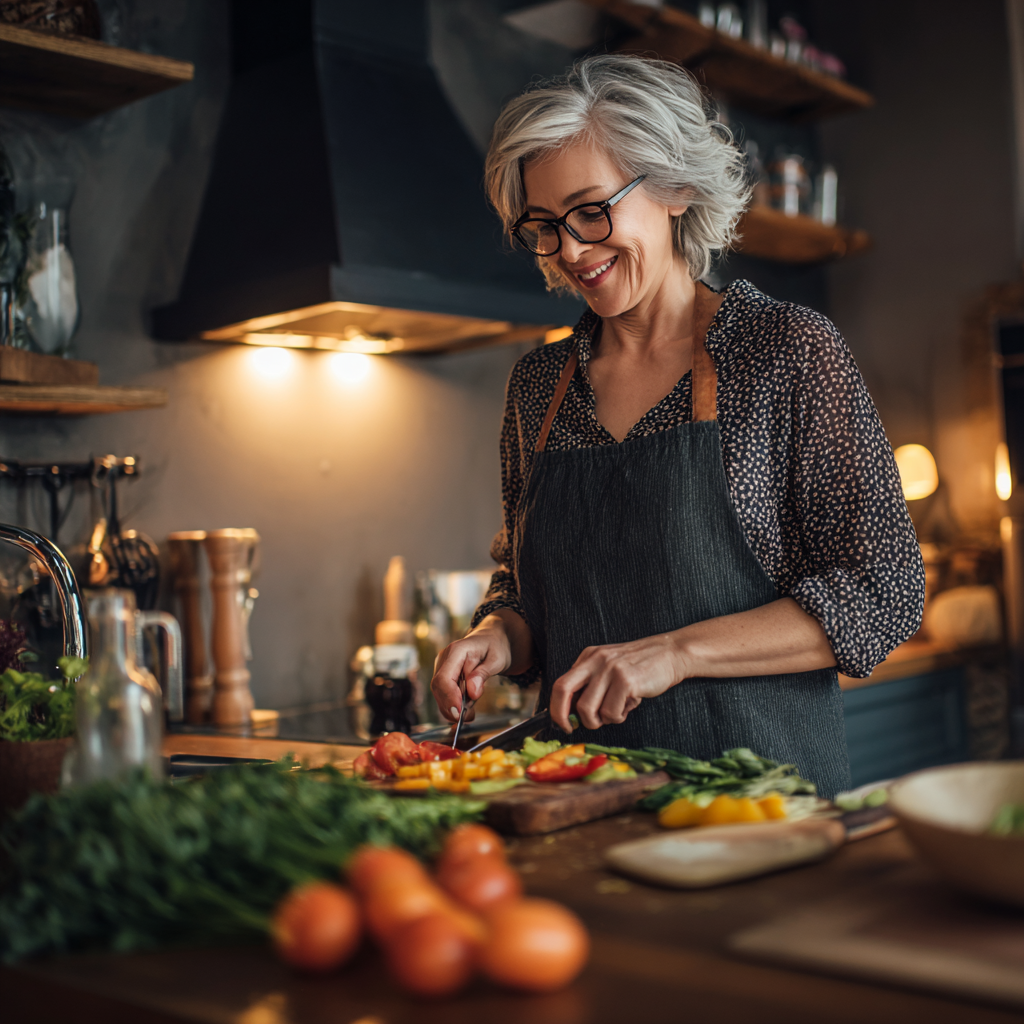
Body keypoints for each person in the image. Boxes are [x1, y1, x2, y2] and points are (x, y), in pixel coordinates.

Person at [430, 55, 924, 798]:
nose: (569, 249)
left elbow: (882, 590)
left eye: (592, 210)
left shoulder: (784, 351)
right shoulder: (539, 386)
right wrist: (497, 636)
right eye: (543, 225)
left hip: (754, 818)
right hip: (577, 810)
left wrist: (676, 652)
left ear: (675, 189)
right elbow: (527, 588)